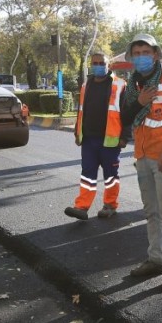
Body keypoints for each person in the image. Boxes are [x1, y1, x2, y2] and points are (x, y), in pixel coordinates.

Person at [120, 34, 162, 289]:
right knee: (151, 212)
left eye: (145, 52)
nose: (141, 57)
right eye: (136, 53)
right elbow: (126, 118)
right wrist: (138, 102)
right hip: (142, 156)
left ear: (156, 54)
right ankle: (155, 259)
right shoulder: (133, 85)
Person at [65, 50, 131, 220]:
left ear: (109, 65)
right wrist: (77, 131)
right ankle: (81, 207)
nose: (98, 66)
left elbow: (127, 113)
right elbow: (82, 110)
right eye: (95, 63)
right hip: (88, 138)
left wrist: (125, 136)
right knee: (87, 174)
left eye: (102, 63)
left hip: (111, 139)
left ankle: (110, 205)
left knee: (110, 175)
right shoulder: (86, 85)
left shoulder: (120, 85)